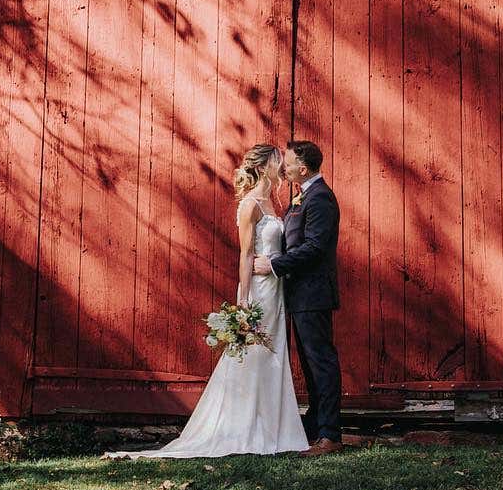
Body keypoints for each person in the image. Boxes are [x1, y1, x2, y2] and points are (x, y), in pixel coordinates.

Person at [102, 144, 310, 459]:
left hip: (277, 289)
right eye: (277, 159)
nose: (282, 163)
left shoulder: (274, 201)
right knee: (254, 353)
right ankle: (243, 428)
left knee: (274, 353)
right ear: (264, 165)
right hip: (260, 291)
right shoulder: (250, 204)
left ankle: (274, 428)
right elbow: (245, 255)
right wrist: (243, 300)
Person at [253, 140, 344, 455]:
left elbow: (315, 247)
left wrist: (274, 264)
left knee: (321, 363)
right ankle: (316, 427)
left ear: (302, 169)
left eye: (288, 162)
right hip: (298, 294)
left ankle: (330, 435)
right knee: (309, 365)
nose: (283, 167)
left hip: (313, 294)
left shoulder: (320, 199)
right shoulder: (301, 196)